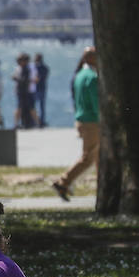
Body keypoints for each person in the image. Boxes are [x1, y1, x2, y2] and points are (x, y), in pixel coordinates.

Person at [51, 47, 98, 201]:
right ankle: (63, 181)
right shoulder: (92, 77)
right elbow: (96, 103)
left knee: (98, 156)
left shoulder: (79, 75)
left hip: (82, 119)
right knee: (88, 157)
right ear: (91, 59)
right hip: (93, 121)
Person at [12, 52, 38, 129]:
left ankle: (36, 123)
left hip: (27, 91)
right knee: (21, 108)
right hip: (22, 91)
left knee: (30, 108)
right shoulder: (20, 68)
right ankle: (17, 123)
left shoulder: (28, 68)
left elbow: (33, 79)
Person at [33, 53, 49, 128]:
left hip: (37, 88)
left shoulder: (35, 67)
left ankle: (37, 121)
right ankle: (41, 121)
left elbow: (37, 78)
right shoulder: (45, 67)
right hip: (42, 88)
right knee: (41, 107)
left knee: (34, 106)